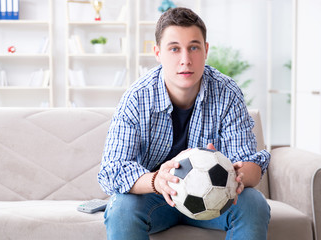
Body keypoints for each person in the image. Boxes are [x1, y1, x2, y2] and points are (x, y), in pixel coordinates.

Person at [97, 7, 270, 240]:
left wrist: (235, 173)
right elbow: (111, 171)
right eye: (174, 49)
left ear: (206, 50)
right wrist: (157, 181)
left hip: (214, 195)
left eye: (194, 47)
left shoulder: (227, 93)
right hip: (155, 196)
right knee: (120, 208)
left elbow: (251, 165)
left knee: (254, 203)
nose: (185, 60)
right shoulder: (137, 97)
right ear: (158, 52)